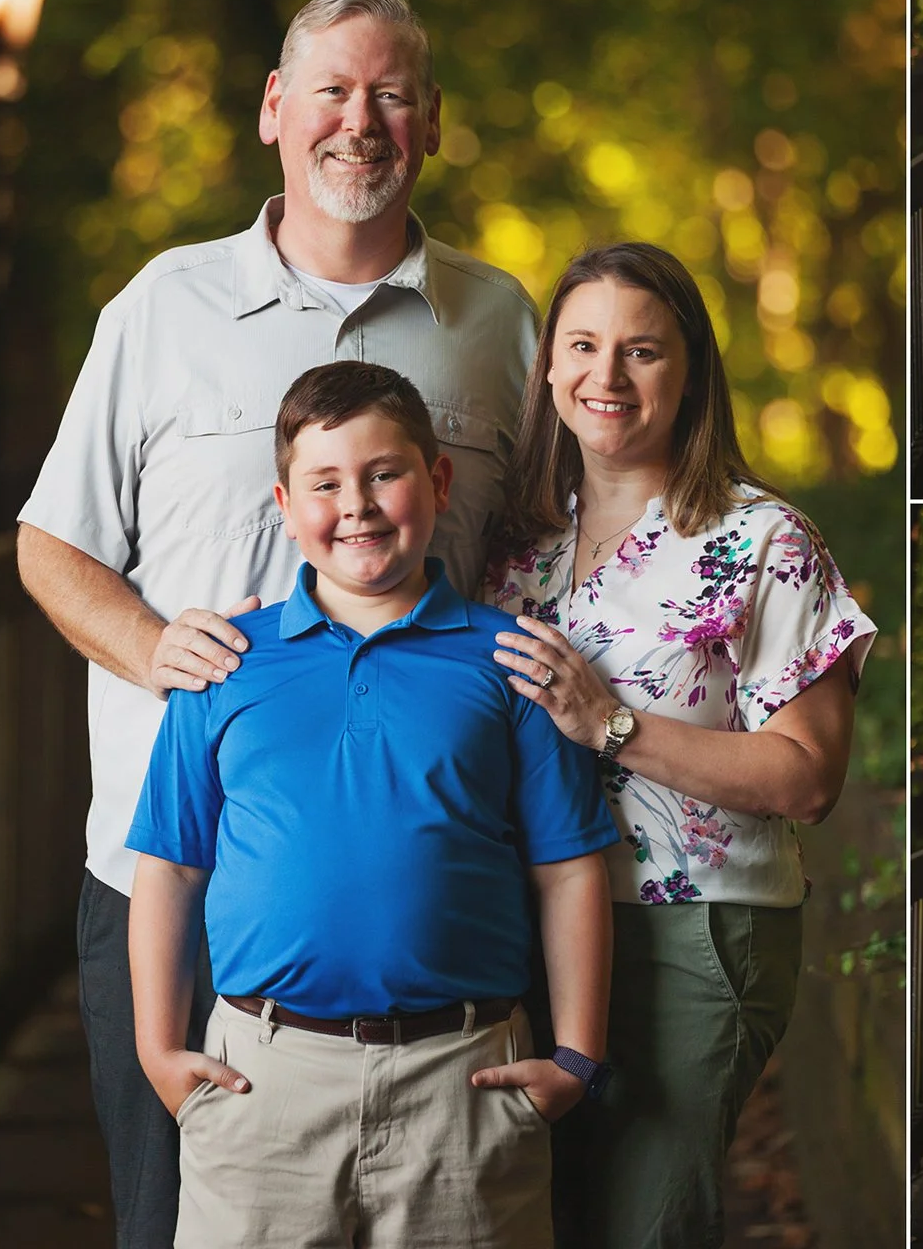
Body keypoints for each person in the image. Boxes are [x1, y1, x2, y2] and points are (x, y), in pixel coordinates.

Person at [14, 0, 536, 1249]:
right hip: (173, 885)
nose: (361, 122)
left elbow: (543, 556)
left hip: (430, 898)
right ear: (273, 112)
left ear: (429, 123)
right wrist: (152, 648)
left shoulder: (502, 322)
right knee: (170, 1220)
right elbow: (48, 543)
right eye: (333, 92)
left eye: (393, 95)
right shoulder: (161, 308)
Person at [127, 362, 615, 1248]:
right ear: (285, 503)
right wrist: (159, 1054)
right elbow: (169, 866)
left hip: (463, 1085)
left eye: (384, 473)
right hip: (262, 1088)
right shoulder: (224, 664)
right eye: (325, 484)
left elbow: (568, 869)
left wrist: (576, 1056)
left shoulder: (512, 663)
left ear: (437, 481)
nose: (356, 505)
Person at [482, 241, 877, 1249]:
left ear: (689, 368)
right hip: (524, 927)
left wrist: (609, 721)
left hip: (693, 933)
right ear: (549, 367)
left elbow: (809, 776)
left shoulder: (766, 541)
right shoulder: (515, 551)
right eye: (582, 344)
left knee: (644, 1221)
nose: (605, 376)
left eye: (641, 350)